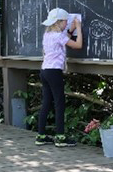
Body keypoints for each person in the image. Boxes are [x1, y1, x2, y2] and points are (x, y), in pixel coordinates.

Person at [35, 8, 83, 147]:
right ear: (59, 22)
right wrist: (78, 28)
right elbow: (78, 45)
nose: (67, 24)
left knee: (46, 103)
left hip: (44, 70)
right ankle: (60, 136)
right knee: (59, 103)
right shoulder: (59, 36)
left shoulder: (48, 34)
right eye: (65, 22)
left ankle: (41, 135)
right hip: (54, 72)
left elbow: (63, 38)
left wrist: (69, 31)